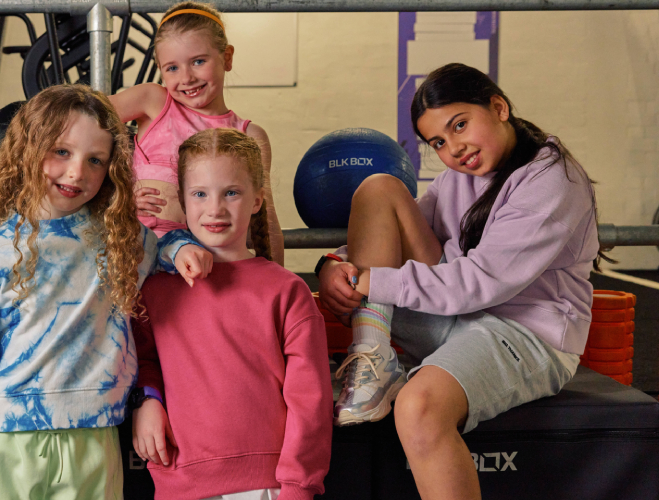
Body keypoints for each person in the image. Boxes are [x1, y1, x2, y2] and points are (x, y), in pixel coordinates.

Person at [317, 63, 606, 499]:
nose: (454, 148)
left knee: (419, 407)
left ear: (498, 107)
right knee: (379, 189)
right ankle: (371, 356)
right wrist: (336, 266)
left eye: (460, 125)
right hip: (457, 315)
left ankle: (392, 375)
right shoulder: (461, 175)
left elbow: (480, 282)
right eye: (439, 141)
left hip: (527, 335)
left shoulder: (552, 180)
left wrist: (371, 283)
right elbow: (393, 229)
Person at [0, 84, 213, 500]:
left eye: (95, 160)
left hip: (95, 438)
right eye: (61, 152)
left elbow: (161, 249)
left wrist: (183, 246)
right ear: (29, 148)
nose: (76, 172)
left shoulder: (119, 239)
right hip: (8, 443)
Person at [132, 128, 332, 500]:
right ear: (182, 200)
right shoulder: (156, 290)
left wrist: (298, 485)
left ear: (257, 200)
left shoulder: (287, 291)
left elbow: (311, 401)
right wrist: (147, 401)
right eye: (200, 194)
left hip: (270, 485)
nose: (215, 209)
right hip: (180, 483)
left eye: (232, 193)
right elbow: (142, 360)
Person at [108, 1, 285, 264]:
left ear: (226, 57)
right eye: (172, 68)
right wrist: (115, 195)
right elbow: (79, 124)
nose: (187, 78)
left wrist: (276, 278)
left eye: (198, 61)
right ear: (160, 68)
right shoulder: (152, 101)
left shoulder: (250, 135)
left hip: (210, 268)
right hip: (139, 261)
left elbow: (265, 219)